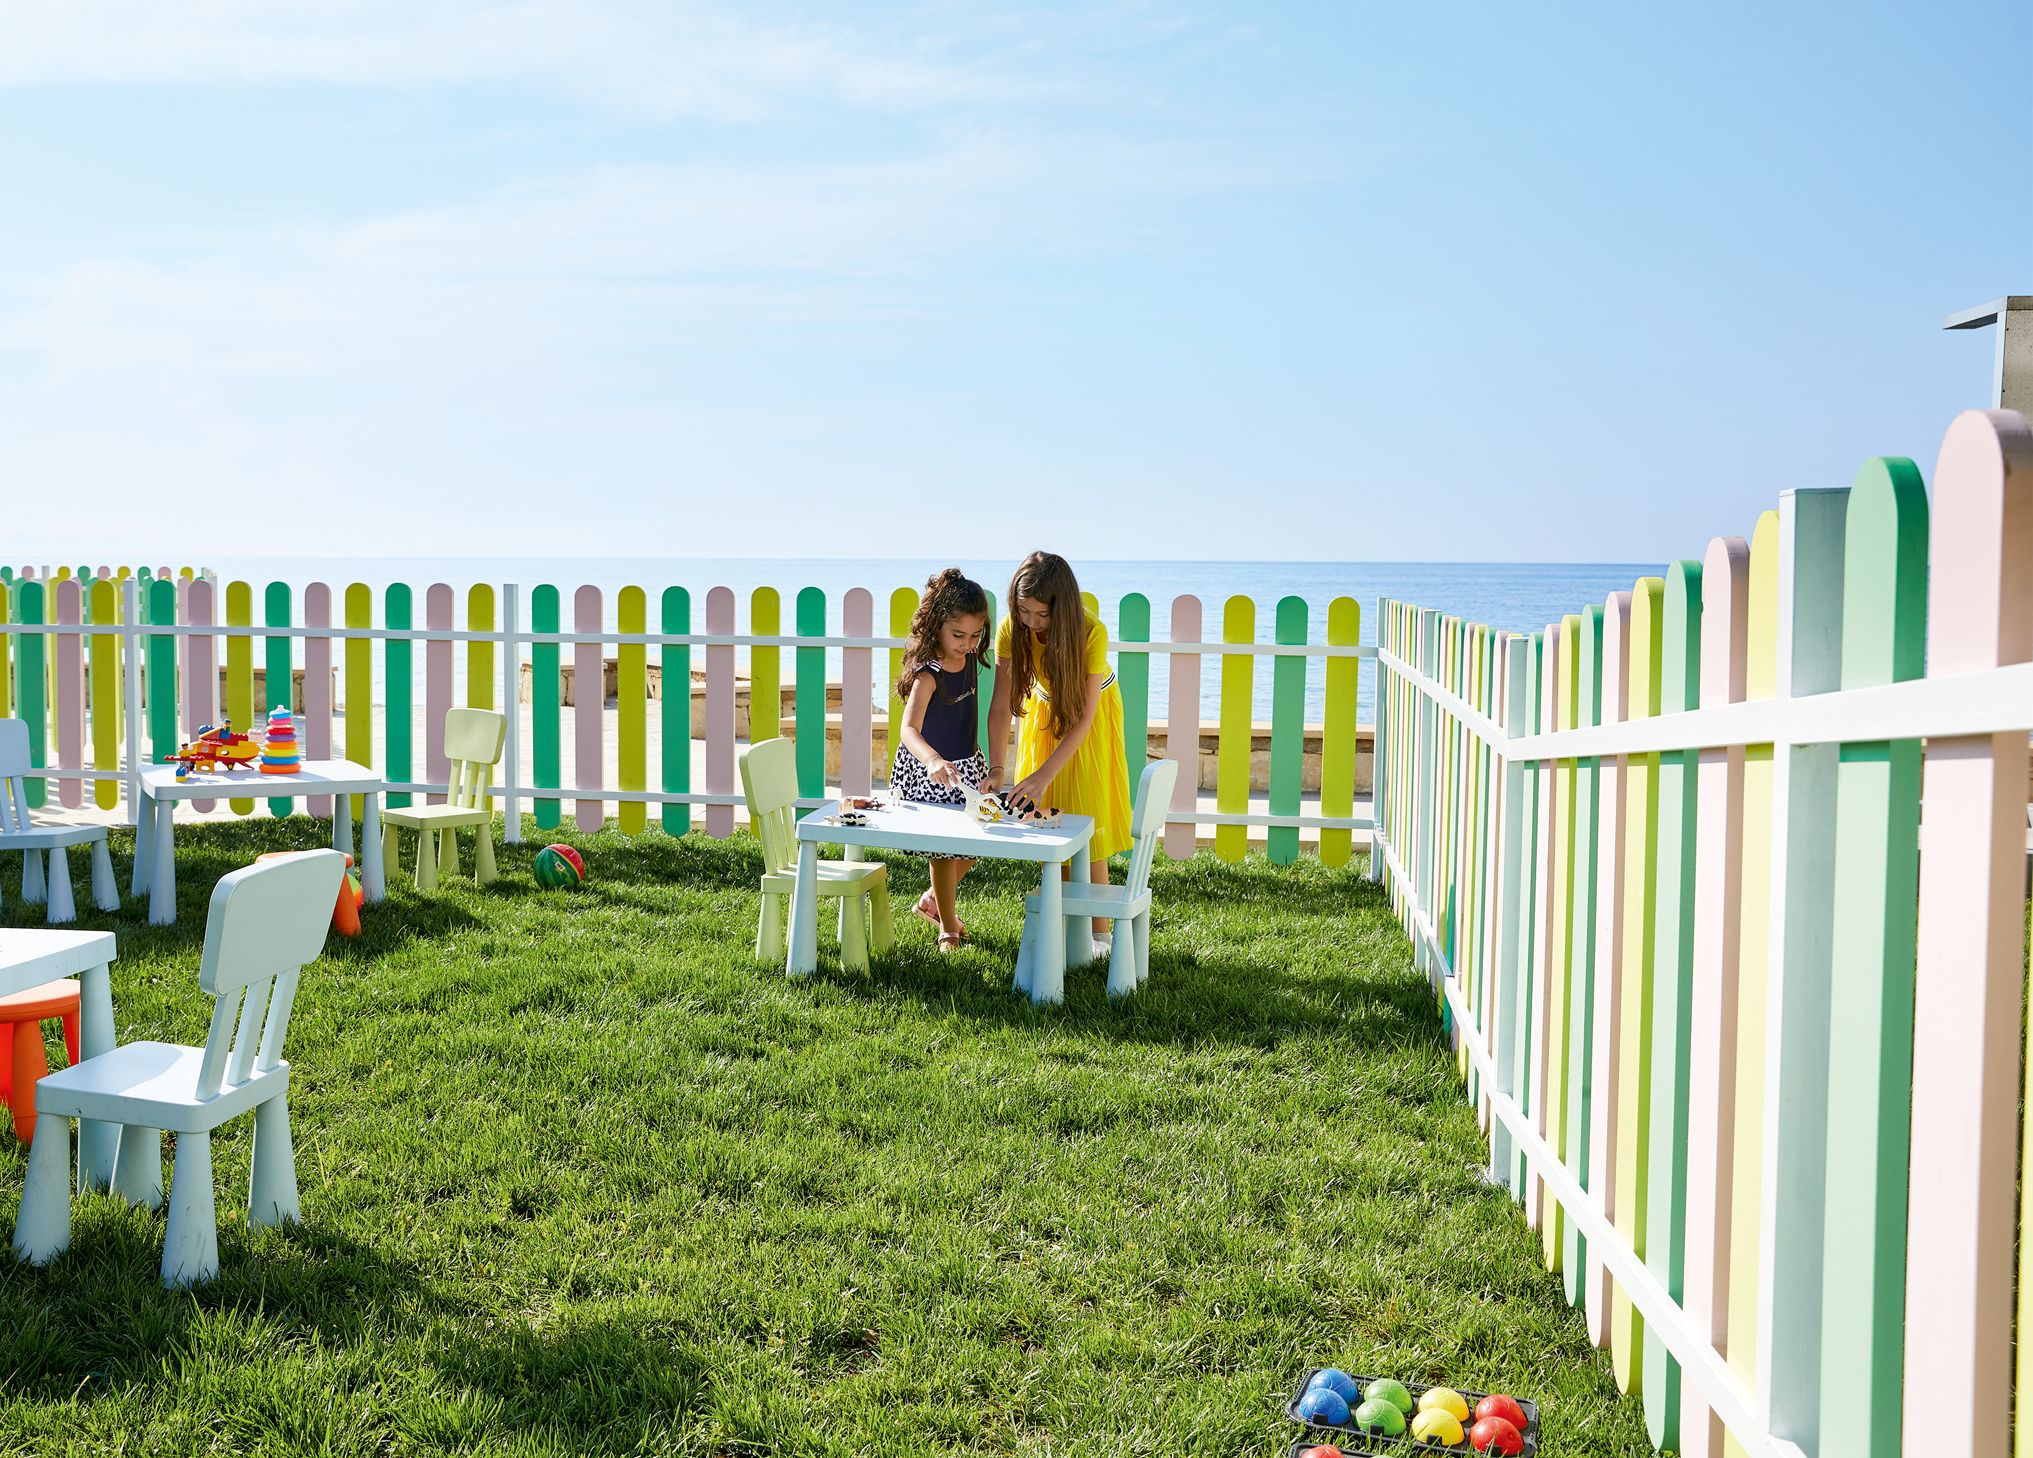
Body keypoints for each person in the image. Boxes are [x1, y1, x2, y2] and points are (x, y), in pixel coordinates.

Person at [986, 551, 1133, 940]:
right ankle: (1064, 927)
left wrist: (1043, 774)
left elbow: (1084, 718)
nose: (1031, 623)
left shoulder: (1091, 632)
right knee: (1048, 819)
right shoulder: (1012, 628)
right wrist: (998, 768)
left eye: (1041, 614)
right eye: (1024, 611)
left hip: (1090, 717)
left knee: (1086, 819)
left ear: (1062, 609)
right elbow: (1000, 706)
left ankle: (1099, 936)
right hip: (1045, 710)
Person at [891, 568, 992, 952]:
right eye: (958, 635)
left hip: (965, 767)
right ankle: (948, 927)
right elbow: (908, 729)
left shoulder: (969, 660)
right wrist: (933, 759)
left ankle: (933, 900)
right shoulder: (928, 675)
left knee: (981, 837)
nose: (968, 644)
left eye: (975, 635)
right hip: (929, 773)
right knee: (944, 850)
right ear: (937, 626)